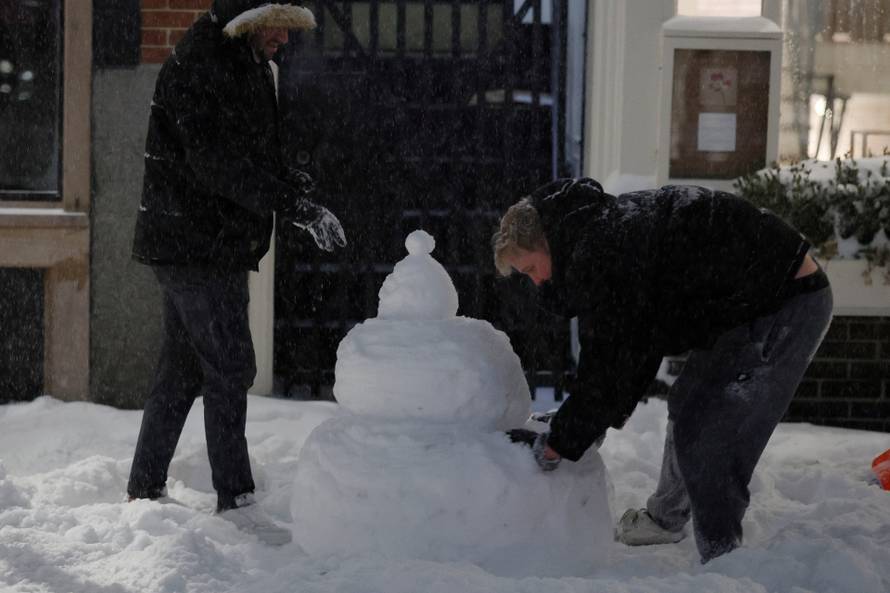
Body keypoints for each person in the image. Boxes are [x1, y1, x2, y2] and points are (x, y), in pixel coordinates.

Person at [495, 178, 832, 563]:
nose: (537, 282)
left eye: (531, 269)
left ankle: (724, 558)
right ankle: (665, 520)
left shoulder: (605, 250)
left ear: (546, 242)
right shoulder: (600, 232)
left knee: (712, 433)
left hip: (786, 303)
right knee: (689, 404)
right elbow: (632, 352)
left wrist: (563, 440)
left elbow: (613, 360)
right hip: (748, 307)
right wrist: (584, 423)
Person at [127, 1, 346, 545]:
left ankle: (144, 489)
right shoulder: (203, 62)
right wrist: (294, 209)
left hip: (204, 242)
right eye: (279, 28)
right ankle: (235, 496)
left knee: (182, 370)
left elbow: (254, 153)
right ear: (251, 18)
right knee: (230, 364)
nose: (285, 41)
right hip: (194, 244)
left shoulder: (243, 62)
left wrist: (298, 194)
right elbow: (217, 165)